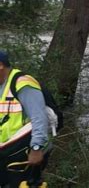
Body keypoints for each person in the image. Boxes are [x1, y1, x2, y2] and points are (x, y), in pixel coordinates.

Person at [0, 51, 50, 187]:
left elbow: (39, 117)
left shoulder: (23, 84)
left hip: (24, 151)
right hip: (7, 150)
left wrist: (36, 148)